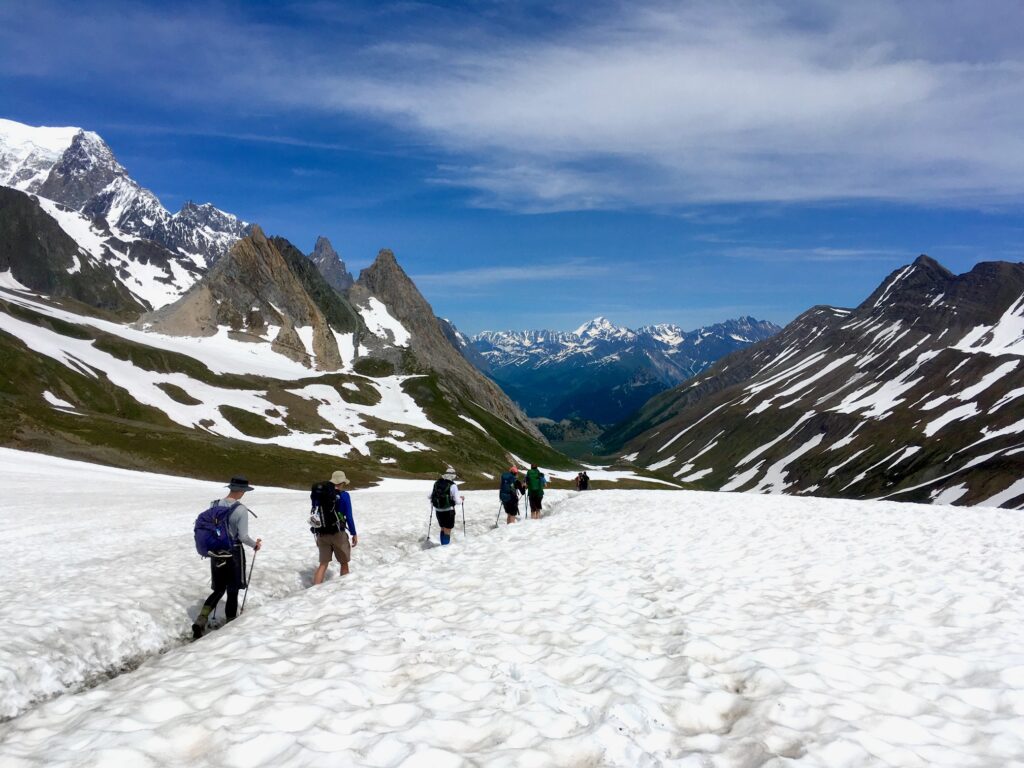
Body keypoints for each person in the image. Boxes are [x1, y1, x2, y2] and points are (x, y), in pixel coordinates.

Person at [192, 475, 262, 640]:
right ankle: (231, 624)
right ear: (242, 491)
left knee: (218, 589)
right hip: (234, 552)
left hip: (216, 552)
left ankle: (201, 619)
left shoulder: (214, 504)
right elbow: (243, 536)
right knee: (232, 590)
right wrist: (255, 545)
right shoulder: (240, 509)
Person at [312, 470, 358, 585]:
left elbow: (315, 514)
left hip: (322, 533)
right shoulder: (344, 495)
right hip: (338, 533)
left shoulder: (321, 494)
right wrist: (353, 533)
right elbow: (349, 516)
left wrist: (317, 533)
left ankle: (314, 591)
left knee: (323, 564)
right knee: (344, 563)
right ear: (342, 482)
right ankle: (344, 590)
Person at [430, 466, 461, 545]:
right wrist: (462, 499)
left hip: (438, 510)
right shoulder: (453, 485)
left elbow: (430, 496)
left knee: (442, 528)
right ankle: (444, 547)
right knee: (447, 529)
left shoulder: (437, 483)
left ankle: (442, 545)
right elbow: (457, 501)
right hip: (448, 510)